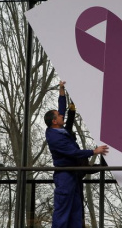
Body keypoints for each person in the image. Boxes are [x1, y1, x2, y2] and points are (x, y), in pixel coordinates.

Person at [44, 81, 109, 228]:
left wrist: (61, 90)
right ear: (55, 121)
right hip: (65, 176)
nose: (62, 115)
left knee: (76, 210)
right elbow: (73, 152)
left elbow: (62, 109)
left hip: (73, 175)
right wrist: (94, 151)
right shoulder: (55, 138)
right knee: (62, 212)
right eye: (59, 116)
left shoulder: (60, 129)